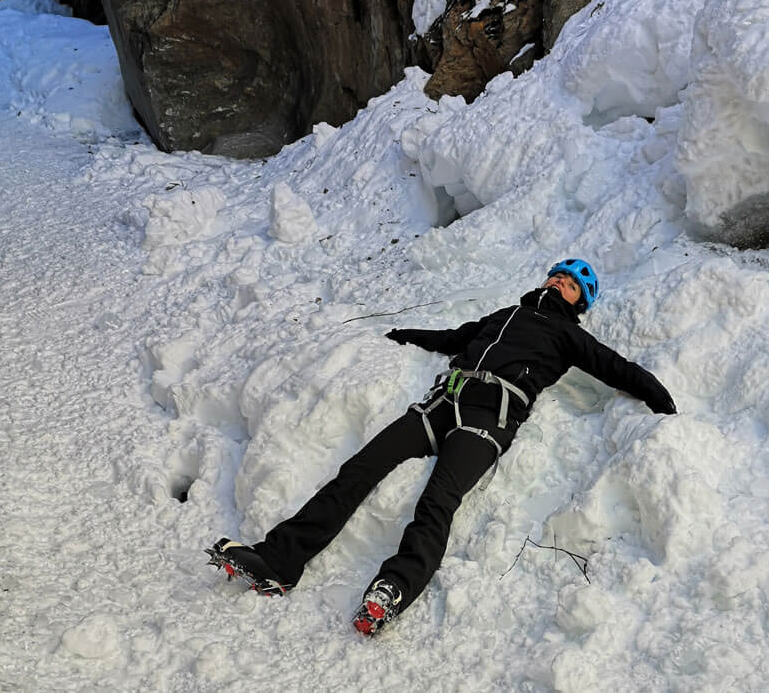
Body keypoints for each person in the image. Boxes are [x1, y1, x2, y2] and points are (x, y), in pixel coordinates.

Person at [208, 258, 676, 635]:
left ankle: (393, 588)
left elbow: (618, 368)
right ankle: (277, 560)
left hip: (489, 417)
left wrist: (662, 400)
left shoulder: (571, 335)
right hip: (441, 403)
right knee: (357, 471)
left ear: (581, 302)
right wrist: (404, 334)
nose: (559, 282)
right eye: (557, 274)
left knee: (438, 502)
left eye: (571, 283)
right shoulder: (505, 315)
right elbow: (454, 338)